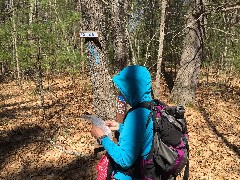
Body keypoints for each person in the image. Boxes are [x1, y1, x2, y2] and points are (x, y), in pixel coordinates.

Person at [91, 65, 153, 179]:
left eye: (123, 88)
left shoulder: (136, 115)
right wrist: (120, 127)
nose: (121, 93)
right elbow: (143, 135)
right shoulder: (150, 107)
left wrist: (102, 137)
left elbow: (125, 160)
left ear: (132, 88)